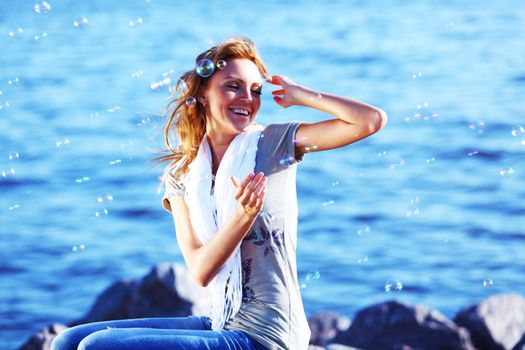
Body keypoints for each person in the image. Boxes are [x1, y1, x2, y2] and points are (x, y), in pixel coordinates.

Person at [50, 36, 387, 350]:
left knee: (97, 347)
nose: (247, 99)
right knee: (68, 341)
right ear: (202, 95)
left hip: (267, 335)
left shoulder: (274, 144)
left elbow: (369, 120)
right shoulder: (182, 174)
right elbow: (200, 269)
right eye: (233, 86)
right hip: (221, 321)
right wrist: (241, 217)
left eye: (256, 91)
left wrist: (301, 95)